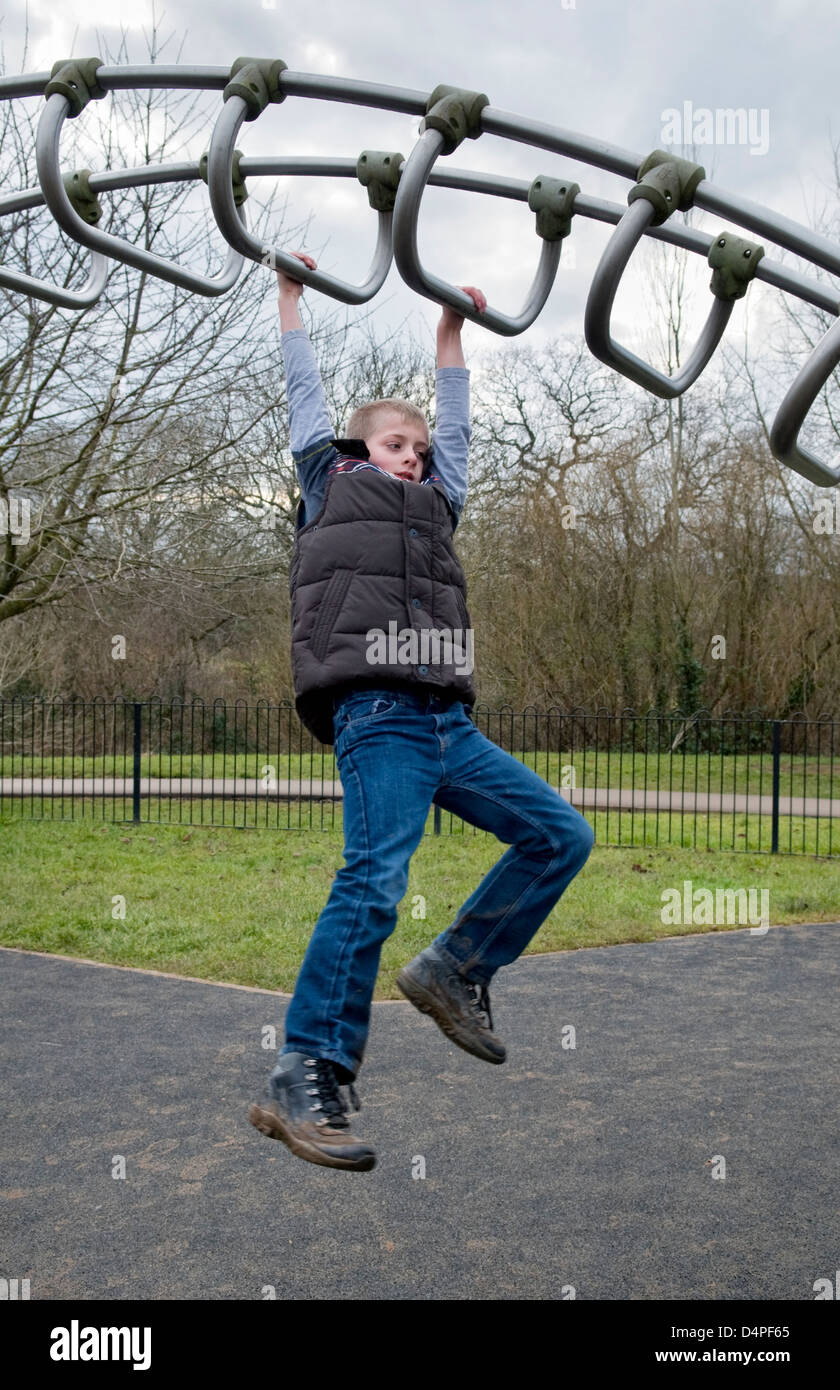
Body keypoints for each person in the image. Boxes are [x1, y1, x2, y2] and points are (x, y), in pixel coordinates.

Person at [249, 253, 594, 1172]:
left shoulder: (439, 506)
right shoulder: (330, 482)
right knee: (373, 881)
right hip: (378, 715)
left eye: (420, 448)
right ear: (363, 452)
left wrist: (450, 335)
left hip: (448, 724)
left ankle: (456, 968)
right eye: (399, 444)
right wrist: (289, 301)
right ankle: (305, 1070)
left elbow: (458, 423)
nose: (417, 454)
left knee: (560, 836)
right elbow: (305, 394)